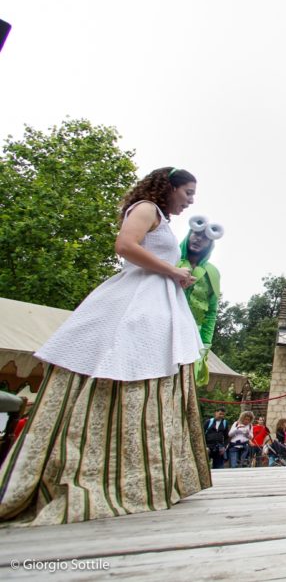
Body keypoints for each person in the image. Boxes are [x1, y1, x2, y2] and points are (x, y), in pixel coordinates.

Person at [0, 167, 211, 526]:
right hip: (137, 299)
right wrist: (171, 271)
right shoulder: (146, 208)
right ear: (170, 186)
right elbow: (125, 247)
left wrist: (181, 271)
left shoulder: (162, 219)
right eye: (187, 192)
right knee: (124, 362)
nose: (190, 201)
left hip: (156, 300)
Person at [176, 214, 224, 386]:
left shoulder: (212, 272)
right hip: (165, 325)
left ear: (210, 243)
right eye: (196, 234)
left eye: (204, 238)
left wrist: (205, 343)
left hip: (192, 334)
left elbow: (211, 311)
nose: (198, 240)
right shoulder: (171, 259)